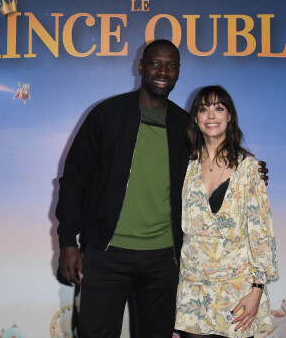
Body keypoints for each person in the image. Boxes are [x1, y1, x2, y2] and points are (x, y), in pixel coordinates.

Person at [55, 40, 268, 338]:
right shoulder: (107, 115)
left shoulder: (185, 126)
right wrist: (67, 240)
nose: (163, 71)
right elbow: (74, 178)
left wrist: (251, 168)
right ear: (141, 66)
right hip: (107, 255)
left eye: (171, 65)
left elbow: (214, 157)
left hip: (163, 261)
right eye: (155, 63)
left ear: (179, 72)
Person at [174, 85, 278, 338]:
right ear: (195, 118)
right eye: (203, 109)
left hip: (238, 290)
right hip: (192, 291)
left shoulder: (248, 168)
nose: (211, 116)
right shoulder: (183, 166)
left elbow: (261, 233)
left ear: (229, 116)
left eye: (219, 109)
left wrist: (257, 289)